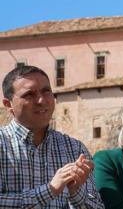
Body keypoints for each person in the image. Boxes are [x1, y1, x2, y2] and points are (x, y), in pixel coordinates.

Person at [0, 65, 104, 208]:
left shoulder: (74, 149)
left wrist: (76, 193)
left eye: (46, 91)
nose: (41, 100)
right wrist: (50, 190)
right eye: (29, 94)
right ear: (8, 104)